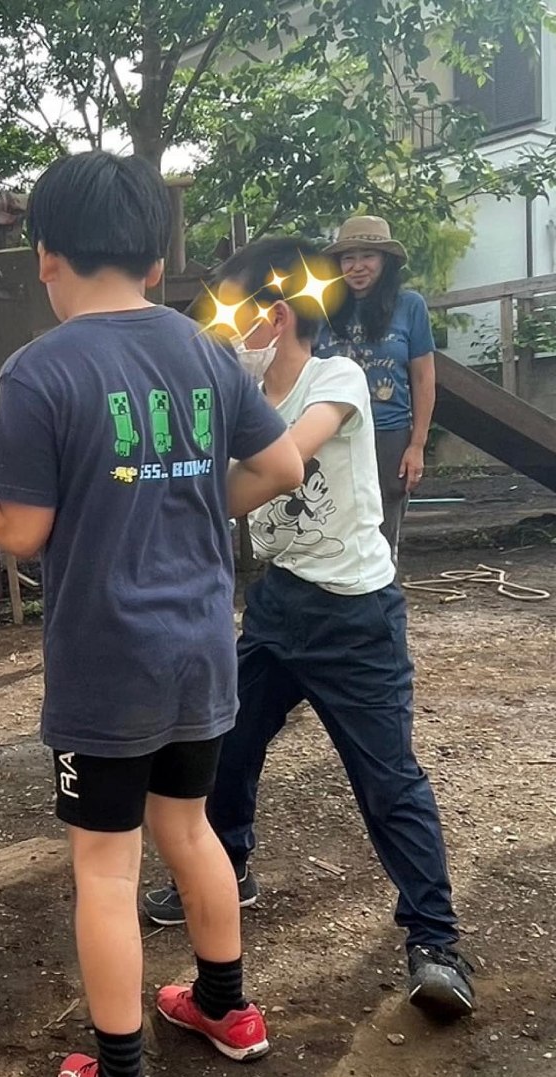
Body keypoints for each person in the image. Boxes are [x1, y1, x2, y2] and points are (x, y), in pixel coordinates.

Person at [0, 151, 304, 1077]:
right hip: (201, 646)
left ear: (45, 257)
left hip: (107, 661)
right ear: (155, 262)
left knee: (106, 869)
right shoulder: (205, 352)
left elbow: (18, 529)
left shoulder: (42, 368)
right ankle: (227, 1009)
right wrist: (191, 510)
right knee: (189, 829)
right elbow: (281, 464)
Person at [142, 237, 476, 1019]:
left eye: (230, 315)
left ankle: (435, 944)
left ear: (278, 315)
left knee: (387, 781)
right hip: (280, 604)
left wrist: (170, 493)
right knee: (226, 745)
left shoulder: (337, 379)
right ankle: (229, 867)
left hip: (355, 616)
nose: (220, 331)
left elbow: (273, 468)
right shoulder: (239, 396)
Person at [317, 215, 435, 561]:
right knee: (329, 526)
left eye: (368, 256)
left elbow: (424, 378)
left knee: (383, 535)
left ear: (385, 261)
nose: (357, 267)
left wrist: (417, 444)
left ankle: (384, 593)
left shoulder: (409, 306)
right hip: (329, 435)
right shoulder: (319, 309)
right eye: (348, 258)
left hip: (388, 433)